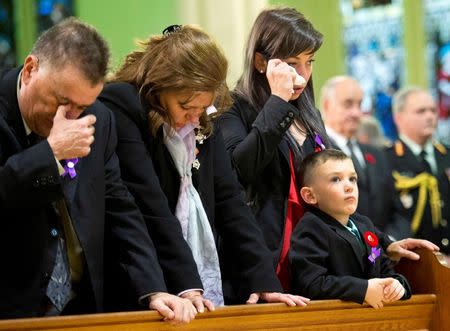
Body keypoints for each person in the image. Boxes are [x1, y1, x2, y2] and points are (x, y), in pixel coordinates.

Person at [217, 7, 439, 292]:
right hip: (263, 264)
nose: (302, 75)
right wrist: (277, 101)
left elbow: (332, 190)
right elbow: (240, 170)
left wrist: (381, 243)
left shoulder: (310, 115)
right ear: (261, 62)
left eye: (309, 62)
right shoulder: (234, 109)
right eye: (292, 63)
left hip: (317, 262)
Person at [0, 18, 196, 323]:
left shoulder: (98, 119)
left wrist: (154, 289)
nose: (72, 117)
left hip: (83, 310)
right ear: (30, 70)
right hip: (13, 310)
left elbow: (120, 209)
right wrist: (50, 153)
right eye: (62, 102)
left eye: (83, 106)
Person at [98, 24, 309, 308]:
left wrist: (263, 280)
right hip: (142, 278)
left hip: (192, 282)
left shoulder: (202, 113)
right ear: (162, 85)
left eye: (202, 108)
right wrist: (187, 284)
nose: (194, 117)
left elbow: (230, 199)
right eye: (185, 106)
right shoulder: (123, 104)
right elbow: (150, 203)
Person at [290, 149, 411, 308]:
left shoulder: (364, 225)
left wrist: (398, 284)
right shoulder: (311, 228)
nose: (349, 186)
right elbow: (312, 284)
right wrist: (363, 289)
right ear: (310, 196)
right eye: (336, 179)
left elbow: (384, 268)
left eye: (352, 179)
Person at [320, 76, 404, 232]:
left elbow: (398, 211)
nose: (356, 113)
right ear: (326, 105)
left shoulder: (377, 154)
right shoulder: (318, 152)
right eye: (348, 104)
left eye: (359, 104)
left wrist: (390, 243)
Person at [386, 86, 450, 255]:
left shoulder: (446, 154)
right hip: (414, 262)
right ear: (398, 117)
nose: (430, 116)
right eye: (421, 111)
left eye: (433, 111)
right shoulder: (387, 159)